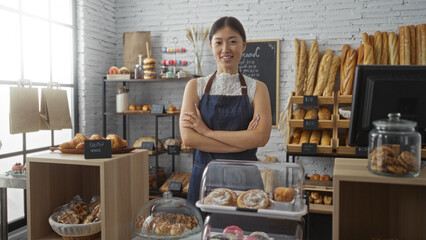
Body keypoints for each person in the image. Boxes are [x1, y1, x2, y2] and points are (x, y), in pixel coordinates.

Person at [180, 16, 272, 204]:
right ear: (210, 45)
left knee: (247, 232)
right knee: (206, 231)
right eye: (219, 42)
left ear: (244, 45)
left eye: (233, 42)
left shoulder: (258, 88)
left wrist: (207, 132)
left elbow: (261, 138)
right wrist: (244, 140)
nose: (225, 49)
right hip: (205, 176)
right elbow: (189, 138)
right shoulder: (194, 86)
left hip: (245, 179)